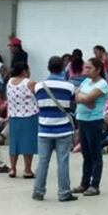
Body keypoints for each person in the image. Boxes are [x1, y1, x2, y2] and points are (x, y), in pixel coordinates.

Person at [33, 56, 78, 202]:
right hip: (63, 129)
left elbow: (38, 104)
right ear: (63, 68)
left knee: (42, 161)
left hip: (44, 128)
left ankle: (38, 191)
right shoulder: (70, 87)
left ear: (48, 67)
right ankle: (64, 192)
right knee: (63, 161)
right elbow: (72, 105)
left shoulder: (39, 86)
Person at [74, 57, 108, 196]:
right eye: (85, 67)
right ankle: (84, 183)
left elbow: (89, 99)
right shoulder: (86, 81)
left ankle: (95, 184)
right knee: (86, 153)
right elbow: (76, 95)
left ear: (98, 69)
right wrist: (84, 98)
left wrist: (83, 98)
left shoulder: (102, 84)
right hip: (82, 119)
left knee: (95, 153)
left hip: (93, 121)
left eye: (89, 68)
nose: (86, 70)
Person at [5, 60, 39, 179]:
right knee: (28, 143)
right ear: (25, 71)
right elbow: (39, 95)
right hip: (29, 115)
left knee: (14, 143)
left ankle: (13, 168)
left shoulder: (9, 81)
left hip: (14, 115)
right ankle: (27, 170)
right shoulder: (29, 83)